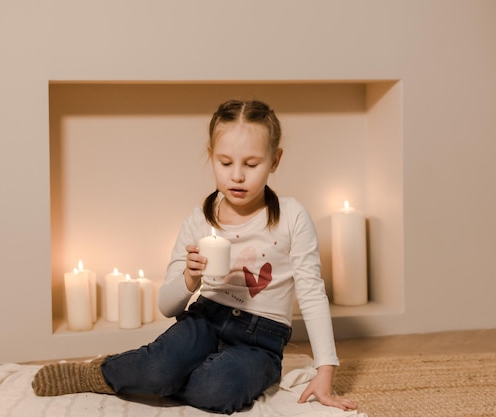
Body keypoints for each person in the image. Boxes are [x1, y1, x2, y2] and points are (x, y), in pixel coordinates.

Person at [32, 99, 357, 414]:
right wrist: (189, 279)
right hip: (205, 320)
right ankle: (102, 372)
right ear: (211, 156)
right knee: (160, 366)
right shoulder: (198, 220)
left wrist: (325, 368)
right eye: (225, 163)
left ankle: (154, 375)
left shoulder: (292, 216)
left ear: (275, 161)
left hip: (261, 341)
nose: (238, 176)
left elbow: (312, 292)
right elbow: (167, 306)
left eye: (252, 164)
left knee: (216, 389)